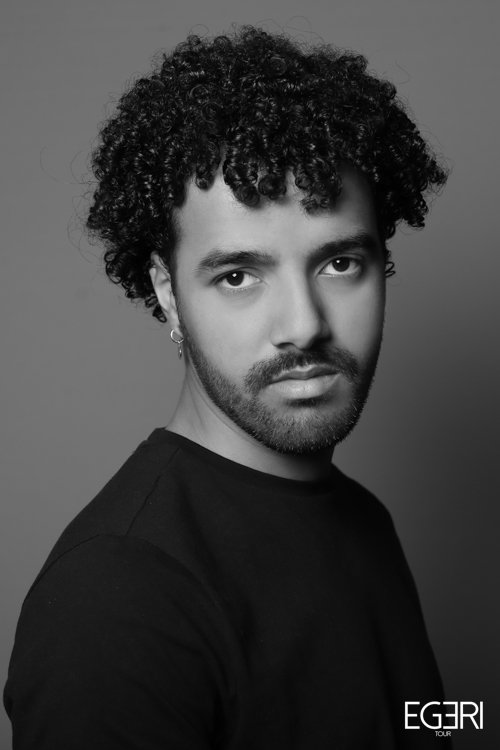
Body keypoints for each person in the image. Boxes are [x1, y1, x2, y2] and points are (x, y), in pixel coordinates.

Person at [4, 26, 450, 748]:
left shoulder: (365, 522)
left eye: (340, 263)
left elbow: (425, 721)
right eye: (239, 276)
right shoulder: (118, 600)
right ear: (168, 292)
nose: (304, 326)